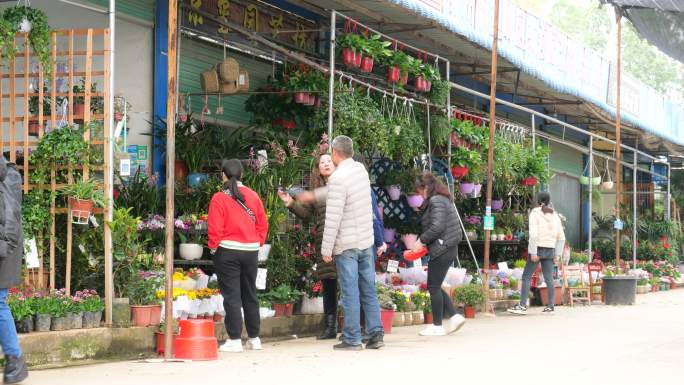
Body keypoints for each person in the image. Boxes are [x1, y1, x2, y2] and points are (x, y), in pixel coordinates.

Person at [321, 135, 384, 350]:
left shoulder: (338, 179)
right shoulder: (361, 171)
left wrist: (326, 248)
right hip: (366, 242)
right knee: (368, 289)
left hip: (346, 244)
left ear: (335, 153)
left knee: (350, 292)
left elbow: (333, 217)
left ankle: (352, 337)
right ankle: (375, 334)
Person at [208, 159, 269, 352]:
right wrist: (256, 242)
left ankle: (234, 340)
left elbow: (214, 229)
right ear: (242, 175)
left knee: (232, 295)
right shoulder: (253, 195)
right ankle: (254, 338)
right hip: (250, 251)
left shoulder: (219, 198)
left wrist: (213, 249)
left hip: (227, 251)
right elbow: (262, 224)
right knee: (250, 293)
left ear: (223, 175)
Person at [277, 154, 339, 340]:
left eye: (329, 161)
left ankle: (354, 325)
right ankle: (330, 326)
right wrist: (290, 202)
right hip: (323, 240)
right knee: (329, 283)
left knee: (349, 282)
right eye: (322, 162)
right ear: (318, 168)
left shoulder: (344, 185)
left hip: (343, 238)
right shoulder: (316, 190)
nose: (326, 164)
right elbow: (306, 214)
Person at [412, 173, 466, 336]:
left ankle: (437, 325)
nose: (420, 194)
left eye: (420, 190)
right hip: (447, 247)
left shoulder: (436, 201)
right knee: (435, 285)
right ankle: (455, 316)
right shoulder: (442, 199)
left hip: (442, 248)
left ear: (426, 187)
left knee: (433, 287)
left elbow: (437, 227)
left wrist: (421, 241)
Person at [508, 192, 565, 315]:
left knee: (526, 276)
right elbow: (561, 237)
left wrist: (533, 252)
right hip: (550, 250)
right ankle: (550, 307)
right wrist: (558, 254)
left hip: (538, 248)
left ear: (538, 201)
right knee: (549, 278)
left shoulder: (535, 213)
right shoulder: (555, 215)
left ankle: (522, 306)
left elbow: (533, 234)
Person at [0, 157, 28, 384]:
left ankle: (15, 360)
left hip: (3, 250)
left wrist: (3, 247)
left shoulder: (7, 177)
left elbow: (10, 219)